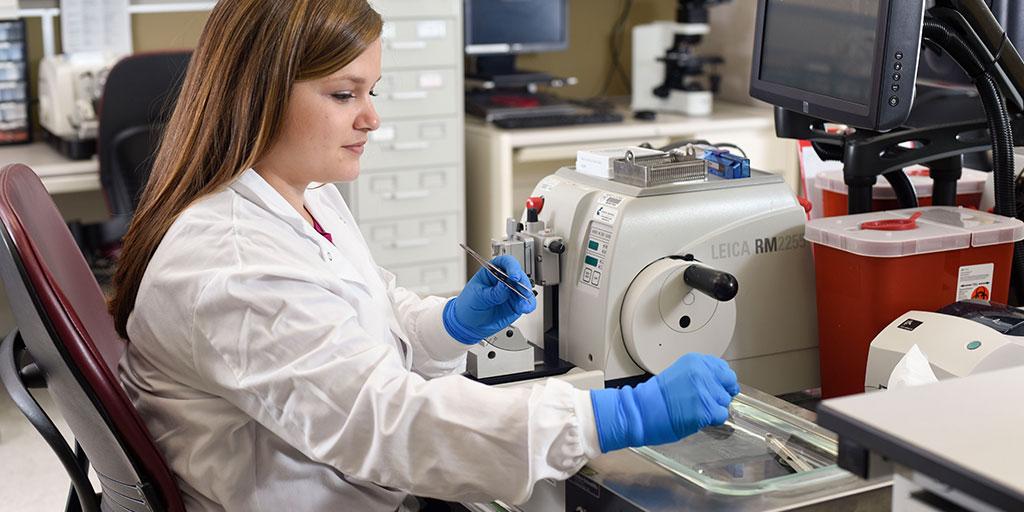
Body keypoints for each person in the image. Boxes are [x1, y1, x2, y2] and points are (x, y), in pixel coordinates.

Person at [110, 1, 740, 510]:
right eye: (344, 94)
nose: (372, 119)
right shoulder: (234, 265)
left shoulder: (303, 196)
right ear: (259, 93)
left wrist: (450, 323)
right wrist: (614, 414)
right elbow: (385, 425)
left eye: (372, 91)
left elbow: (368, 314)